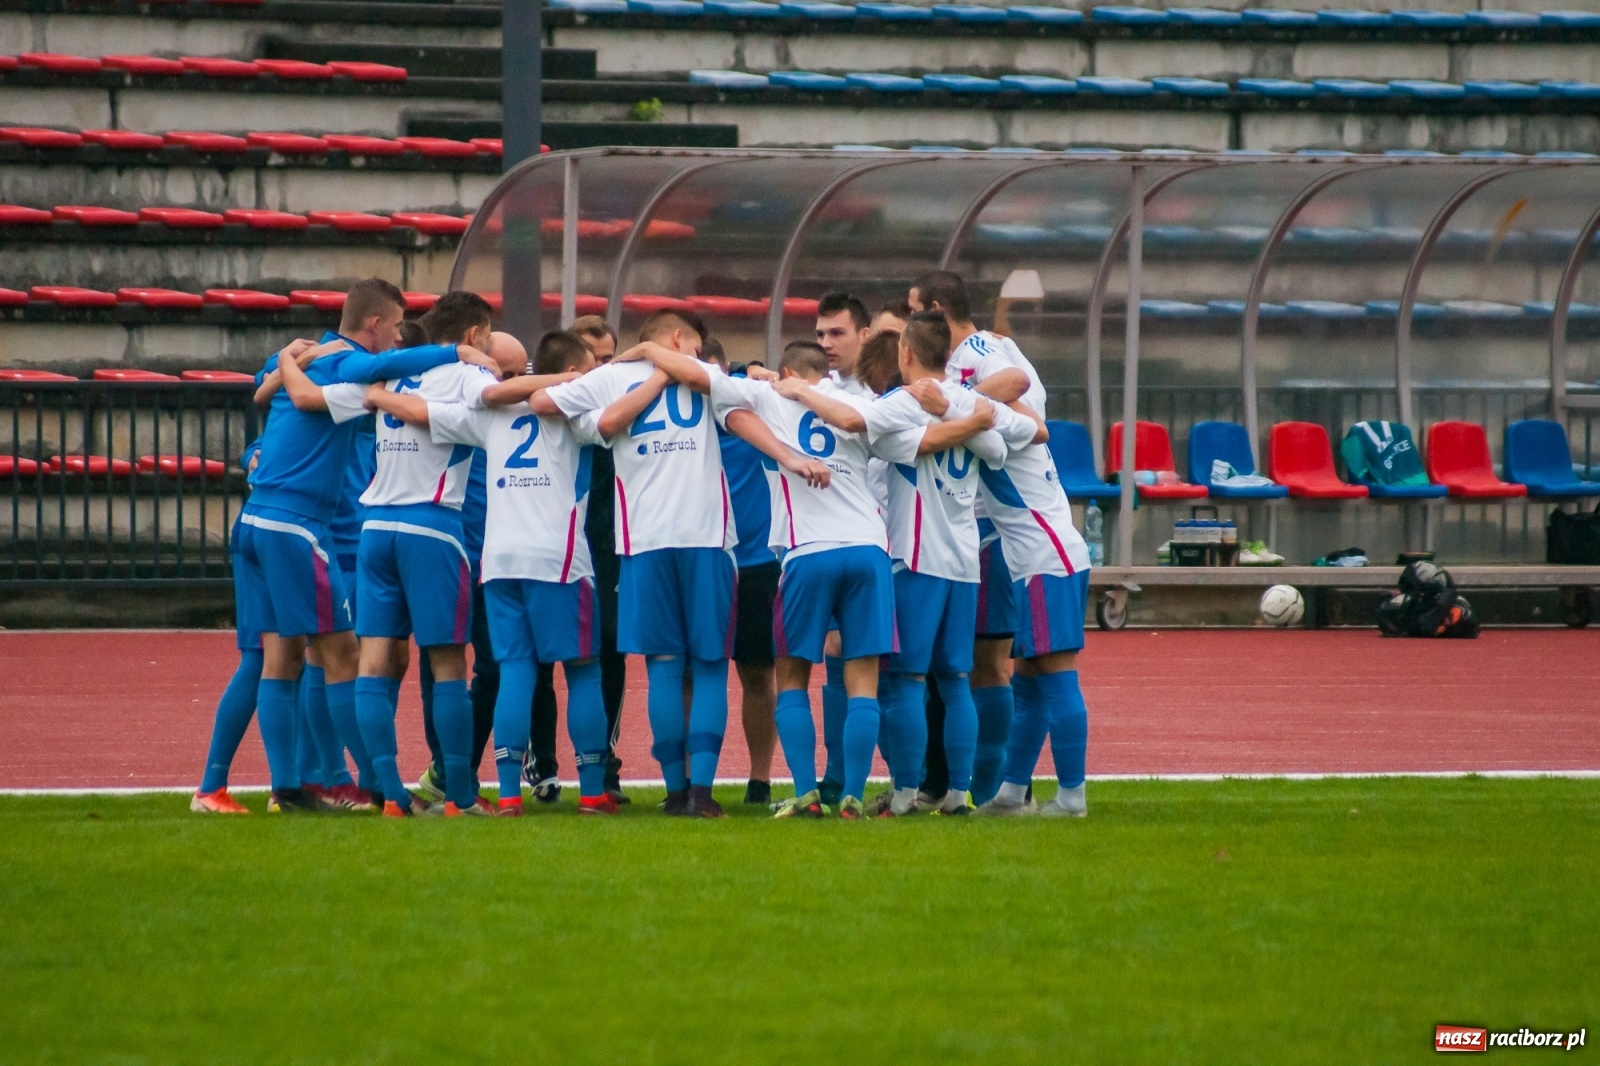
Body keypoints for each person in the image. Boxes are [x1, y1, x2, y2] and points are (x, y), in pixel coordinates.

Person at [522, 311, 829, 817]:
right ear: (679, 339)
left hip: (642, 542)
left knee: (664, 667)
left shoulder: (612, 378)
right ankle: (703, 795)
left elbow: (541, 402)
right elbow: (744, 418)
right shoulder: (702, 378)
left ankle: (676, 790)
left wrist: (622, 378)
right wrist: (789, 456)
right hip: (706, 540)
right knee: (708, 666)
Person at [369, 330, 640, 815]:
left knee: (515, 671)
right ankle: (595, 791)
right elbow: (616, 418)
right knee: (583, 672)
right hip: (558, 560)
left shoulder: (487, 417)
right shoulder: (571, 416)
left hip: (498, 560)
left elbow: (421, 413)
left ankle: (511, 794)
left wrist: (376, 393)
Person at [780, 315, 1042, 816]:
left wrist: (795, 388)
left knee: (907, 682)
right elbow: (999, 443)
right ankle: (959, 794)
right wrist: (965, 420)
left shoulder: (904, 401)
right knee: (955, 679)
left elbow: (856, 422)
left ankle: (905, 793)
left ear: (905, 355)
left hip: (917, 557)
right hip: (965, 561)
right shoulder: (966, 400)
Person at [227, 278, 469, 812]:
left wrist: (288, 360)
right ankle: (359, 783)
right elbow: (322, 395)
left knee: (300, 656)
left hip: (287, 522)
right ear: (377, 325)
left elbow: (266, 391)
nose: (399, 342)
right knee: (338, 653)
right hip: (316, 527)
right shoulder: (352, 363)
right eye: (397, 328)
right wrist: (458, 351)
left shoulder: (320, 355)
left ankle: (297, 784)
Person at [276, 291, 507, 817]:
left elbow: (311, 400)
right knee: (448, 661)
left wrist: (285, 366)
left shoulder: (387, 375)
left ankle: (391, 796)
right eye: (487, 337)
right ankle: (461, 798)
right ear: (473, 336)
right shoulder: (470, 374)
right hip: (433, 524)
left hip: (376, 525)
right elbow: (495, 405)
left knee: (374, 661)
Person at [911, 271, 1091, 817]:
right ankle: (1014, 792)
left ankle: (1073, 796)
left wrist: (948, 401)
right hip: (1030, 551)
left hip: (1045, 550)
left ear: (938, 310)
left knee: (1056, 673)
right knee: (1030, 675)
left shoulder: (979, 353)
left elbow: (1016, 395)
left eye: (917, 311)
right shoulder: (990, 355)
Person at [696, 340, 893, 820]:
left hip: (809, 551)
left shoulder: (768, 397)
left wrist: (758, 379)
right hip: (869, 546)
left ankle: (806, 794)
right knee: (863, 680)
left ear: (784, 371)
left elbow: (713, 388)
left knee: (792, 678)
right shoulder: (857, 401)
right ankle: (852, 796)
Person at [415, 331, 531, 809]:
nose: (516, 384)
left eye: (523, 374)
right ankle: (445, 771)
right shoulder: (459, 401)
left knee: (494, 668)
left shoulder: (526, 415)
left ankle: (455, 771)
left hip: (496, 560)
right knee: (438, 661)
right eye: (508, 374)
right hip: (450, 551)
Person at [525, 315, 630, 804]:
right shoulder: (544, 405)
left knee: (610, 648)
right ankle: (542, 764)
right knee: (539, 658)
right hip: (552, 541)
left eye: (611, 358)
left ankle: (604, 764)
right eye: (595, 360)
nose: (604, 369)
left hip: (607, 545)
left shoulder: (616, 407)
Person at [699, 338, 780, 805]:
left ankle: (760, 780)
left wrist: (758, 371)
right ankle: (692, 780)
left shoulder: (754, 414)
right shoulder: (682, 422)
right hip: (704, 558)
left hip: (755, 562)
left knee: (757, 673)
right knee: (696, 670)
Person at [811, 292, 874, 806]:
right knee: (837, 656)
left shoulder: (886, 397)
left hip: (889, 543)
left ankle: (916, 781)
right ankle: (836, 780)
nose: (827, 343)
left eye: (837, 333)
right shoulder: (817, 389)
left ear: (865, 335)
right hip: (836, 543)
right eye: (821, 334)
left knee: (891, 672)